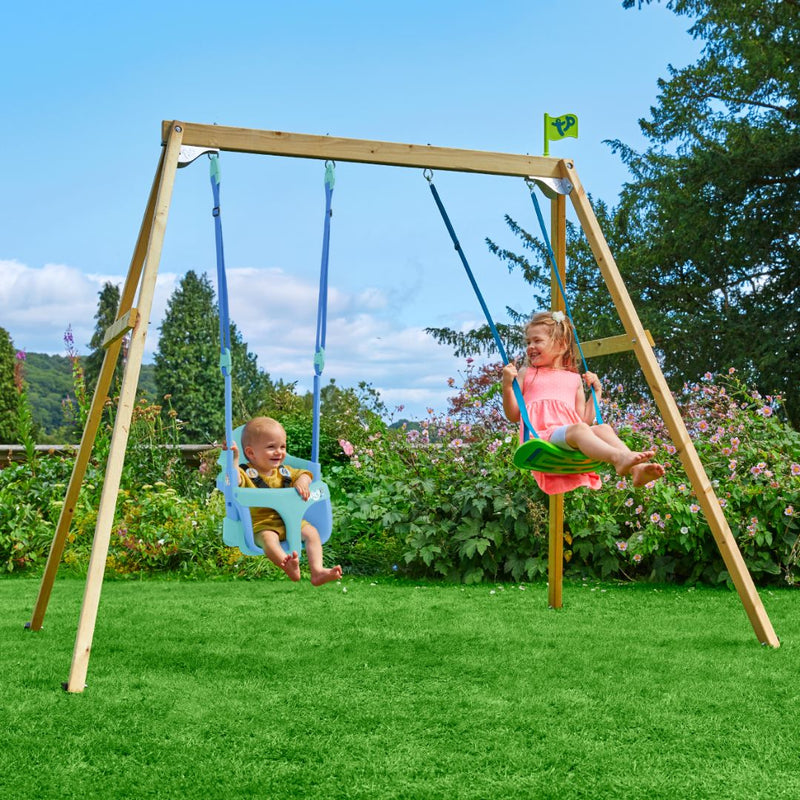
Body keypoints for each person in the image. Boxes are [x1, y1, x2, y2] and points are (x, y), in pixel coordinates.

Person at [502, 310, 665, 495]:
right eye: (528, 342)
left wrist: (596, 392)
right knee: (579, 429)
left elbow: (583, 420)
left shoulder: (574, 379)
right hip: (540, 437)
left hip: (567, 436)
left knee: (604, 429)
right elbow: (513, 415)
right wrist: (507, 386)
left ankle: (637, 470)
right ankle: (619, 458)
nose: (530, 346)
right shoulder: (526, 374)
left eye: (537, 341)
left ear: (562, 345)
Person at [230, 416, 342, 586]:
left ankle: (318, 571)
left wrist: (302, 482)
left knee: (312, 533)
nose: (279, 452)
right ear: (251, 453)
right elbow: (233, 481)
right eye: (271, 447)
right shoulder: (245, 473)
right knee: (269, 541)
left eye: (282, 447)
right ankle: (287, 564)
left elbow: (305, 474)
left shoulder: (285, 471)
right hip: (263, 525)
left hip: (293, 521)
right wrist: (234, 459)